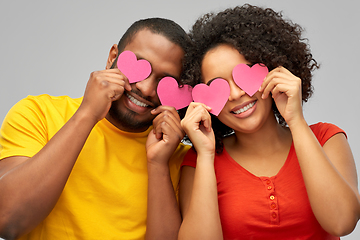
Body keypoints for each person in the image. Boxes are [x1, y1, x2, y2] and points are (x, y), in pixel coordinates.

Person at [178, 4, 360, 240]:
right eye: (217, 87)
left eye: (242, 76)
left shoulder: (327, 138)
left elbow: (342, 223)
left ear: (273, 70)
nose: (234, 95)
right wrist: (205, 155)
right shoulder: (198, 161)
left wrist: (295, 120)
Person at [0, 18, 191, 240]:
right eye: (140, 66)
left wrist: (158, 164)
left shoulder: (181, 160)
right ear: (112, 57)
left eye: (165, 81)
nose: (146, 89)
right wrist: (87, 114)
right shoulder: (38, 113)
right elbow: (7, 220)